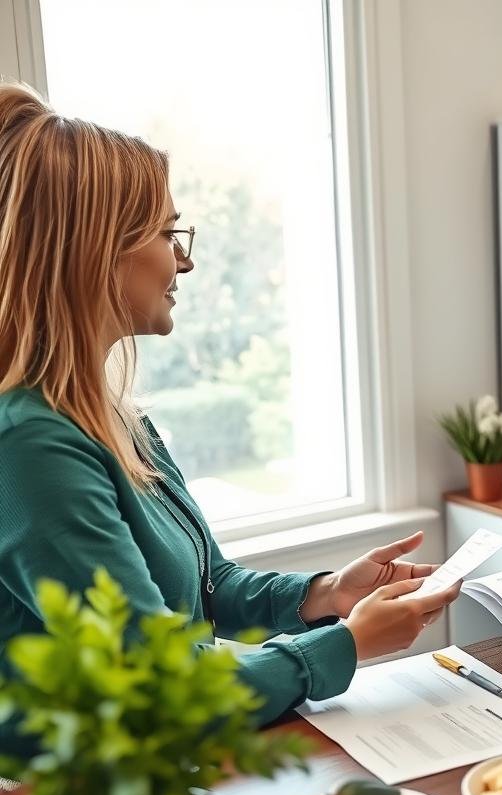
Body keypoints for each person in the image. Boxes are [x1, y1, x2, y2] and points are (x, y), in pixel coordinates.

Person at [0, 81, 459, 756]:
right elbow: (158, 681)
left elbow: (209, 586)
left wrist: (327, 595)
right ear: (95, 252)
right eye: (165, 232)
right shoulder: (29, 444)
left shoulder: (111, 417)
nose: (184, 258)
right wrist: (347, 645)